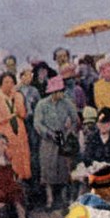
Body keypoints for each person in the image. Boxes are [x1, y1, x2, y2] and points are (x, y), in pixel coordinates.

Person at [34, 75, 79, 209]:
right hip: (48, 137)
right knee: (48, 167)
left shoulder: (67, 102)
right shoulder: (42, 104)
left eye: (61, 90)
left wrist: (70, 127)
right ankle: (50, 198)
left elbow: (75, 118)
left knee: (64, 167)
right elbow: (37, 122)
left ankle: (64, 197)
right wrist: (48, 133)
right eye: (58, 91)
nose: (61, 93)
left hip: (63, 136)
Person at [0, 73, 31, 182]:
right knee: (7, 159)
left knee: (22, 159)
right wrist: (13, 114)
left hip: (19, 132)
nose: (9, 85)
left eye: (12, 82)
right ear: (1, 84)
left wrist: (16, 99)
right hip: (5, 133)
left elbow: (22, 114)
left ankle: (21, 183)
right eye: (6, 82)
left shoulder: (18, 96)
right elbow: (0, 118)